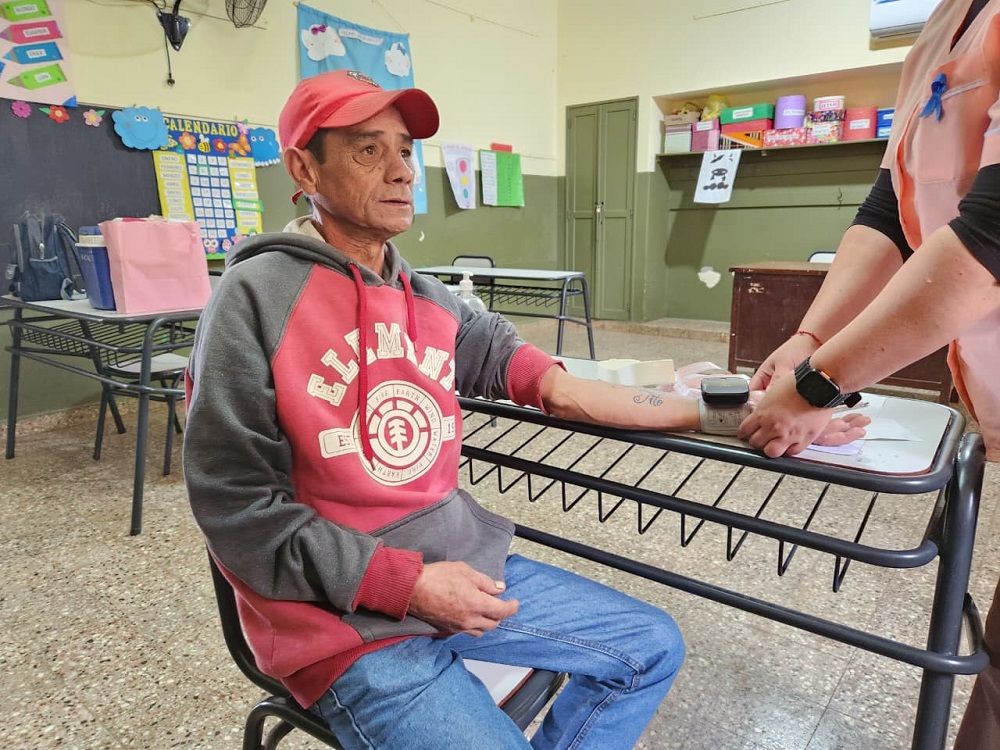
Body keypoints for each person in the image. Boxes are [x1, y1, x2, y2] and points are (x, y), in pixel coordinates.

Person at [183, 70, 863, 749]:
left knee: (651, 647)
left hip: (461, 575)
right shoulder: (254, 298)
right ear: (305, 166)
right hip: (346, 628)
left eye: (405, 150)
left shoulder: (432, 301)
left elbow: (563, 388)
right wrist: (407, 586)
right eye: (368, 150)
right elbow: (235, 508)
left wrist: (753, 411)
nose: (401, 172)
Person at [736, 2, 1000, 746]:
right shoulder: (946, 24)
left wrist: (820, 385)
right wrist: (810, 340)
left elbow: (990, 236)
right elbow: (891, 209)